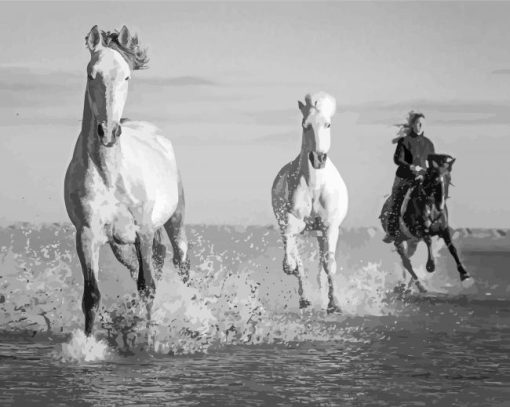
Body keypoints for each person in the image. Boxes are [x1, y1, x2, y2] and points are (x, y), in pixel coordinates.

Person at [383, 112, 435, 243]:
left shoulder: (428, 143)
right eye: (418, 123)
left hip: (422, 178)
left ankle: (437, 225)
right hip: (404, 176)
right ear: (412, 125)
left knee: (435, 195)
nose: (421, 125)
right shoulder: (404, 141)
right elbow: (397, 159)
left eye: (423, 123)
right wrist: (412, 167)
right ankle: (392, 229)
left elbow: (432, 162)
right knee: (396, 197)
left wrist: (429, 171)